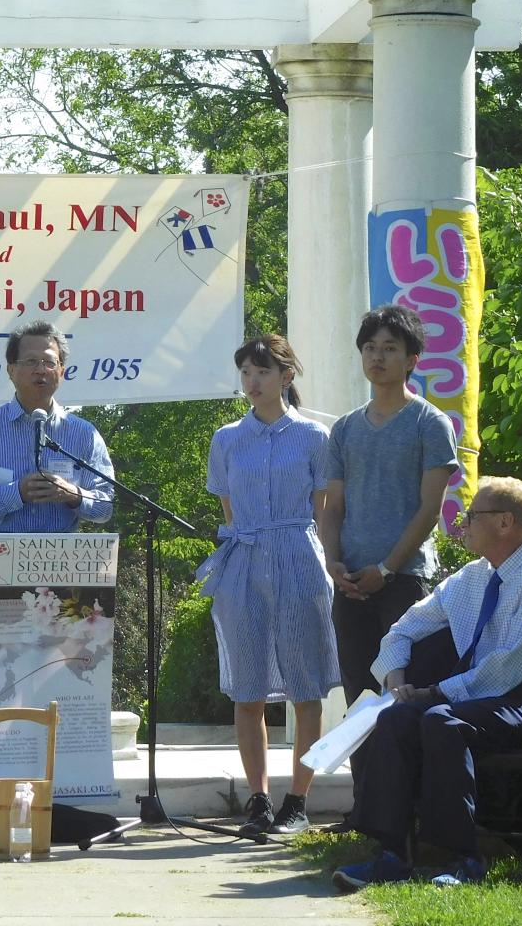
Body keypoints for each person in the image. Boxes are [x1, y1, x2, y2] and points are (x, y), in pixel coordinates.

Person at [330, 477, 522, 890]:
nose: (462, 523)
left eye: (472, 516)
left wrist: (434, 693)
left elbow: (505, 668)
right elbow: (401, 629)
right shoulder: (471, 577)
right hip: (473, 696)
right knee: (397, 718)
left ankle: (463, 858)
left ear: (504, 522)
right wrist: (397, 683)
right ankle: (392, 854)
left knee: (441, 721)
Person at [199, 335, 338, 836]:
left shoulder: (314, 437)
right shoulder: (226, 439)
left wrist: (329, 566)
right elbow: (228, 511)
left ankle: (298, 800)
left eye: (261, 371)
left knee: (306, 686)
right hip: (243, 560)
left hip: (299, 559)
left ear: (286, 376)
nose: (252, 382)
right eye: (245, 373)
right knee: (247, 687)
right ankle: (257, 799)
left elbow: (323, 516)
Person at [320, 305, 458, 712]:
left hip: (404, 581)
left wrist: (385, 570)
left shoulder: (430, 423)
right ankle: (365, 779)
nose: (377, 357)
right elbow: (333, 508)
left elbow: (430, 509)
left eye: (389, 348)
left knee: (404, 697)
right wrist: (333, 564)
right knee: (358, 699)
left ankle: (406, 779)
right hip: (349, 584)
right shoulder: (344, 428)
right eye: (369, 348)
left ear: (412, 359)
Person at [0, 321, 114, 533]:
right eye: (31, 361)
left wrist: (71, 494)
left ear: (61, 371)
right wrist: (16, 494)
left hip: (62, 559)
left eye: (49, 362)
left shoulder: (84, 434)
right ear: (11, 370)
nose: (40, 369)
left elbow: (105, 507)